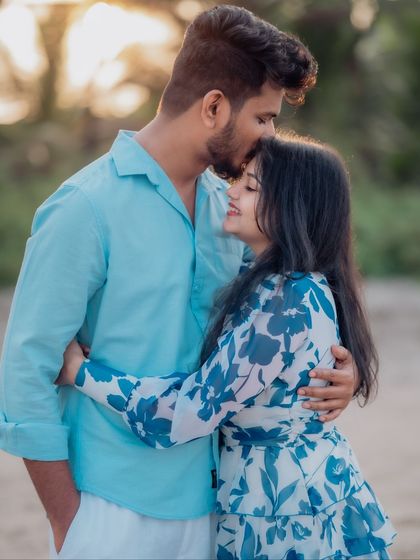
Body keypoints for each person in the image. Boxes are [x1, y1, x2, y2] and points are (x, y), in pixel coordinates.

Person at [0, 5, 356, 560]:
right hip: (109, 506)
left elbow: (273, 323)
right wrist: (69, 520)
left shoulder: (231, 213)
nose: (268, 138)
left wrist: (340, 366)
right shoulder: (84, 207)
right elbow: (27, 368)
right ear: (215, 106)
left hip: (215, 507)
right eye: (262, 119)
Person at [59, 133, 396, 559]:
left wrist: (81, 373)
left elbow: (188, 413)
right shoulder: (276, 283)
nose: (231, 191)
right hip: (289, 488)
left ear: (294, 208)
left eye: (251, 187)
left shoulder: (286, 304)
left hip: (285, 507)